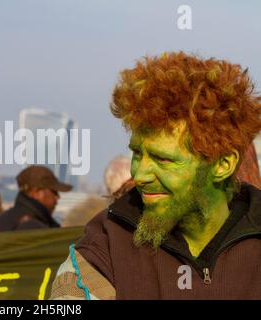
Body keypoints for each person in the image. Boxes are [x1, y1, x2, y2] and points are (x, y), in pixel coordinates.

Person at [51, 51, 261, 300]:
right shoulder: (104, 246)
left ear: (223, 164)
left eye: (163, 159)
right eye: (138, 154)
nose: (139, 175)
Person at [0, 165, 72, 232]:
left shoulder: (1, 220)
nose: (57, 197)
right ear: (36, 192)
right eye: (54, 191)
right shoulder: (34, 227)